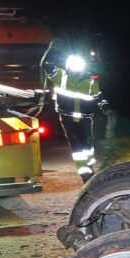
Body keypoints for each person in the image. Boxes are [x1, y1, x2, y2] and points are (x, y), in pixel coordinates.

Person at [45, 54, 102, 182]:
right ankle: (85, 174)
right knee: (76, 147)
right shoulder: (61, 75)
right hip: (67, 119)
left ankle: (89, 166)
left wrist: (106, 107)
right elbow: (47, 67)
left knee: (87, 146)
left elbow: (98, 97)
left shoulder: (91, 81)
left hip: (85, 119)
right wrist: (51, 54)